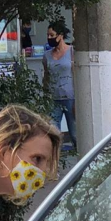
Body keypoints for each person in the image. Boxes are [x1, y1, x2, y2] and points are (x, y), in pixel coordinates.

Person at [43, 19, 77, 151]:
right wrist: (45, 95)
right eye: (48, 35)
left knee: (75, 133)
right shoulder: (47, 56)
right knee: (54, 134)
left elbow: (76, 76)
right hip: (53, 99)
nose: (49, 38)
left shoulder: (72, 52)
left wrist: (77, 100)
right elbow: (46, 76)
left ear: (60, 36)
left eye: (52, 35)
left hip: (70, 98)